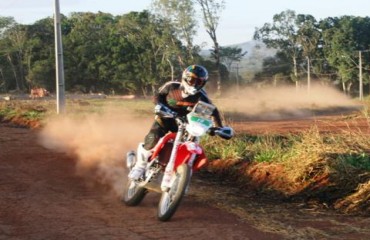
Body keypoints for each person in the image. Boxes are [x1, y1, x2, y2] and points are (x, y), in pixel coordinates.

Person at [129, 64, 232, 180]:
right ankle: (140, 166)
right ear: (185, 78)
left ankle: (180, 171)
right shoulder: (172, 86)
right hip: (166, 117)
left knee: (192, 140)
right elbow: (157, 96)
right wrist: (160, 106)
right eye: (192, 80)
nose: (194, 84)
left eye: (199, 82)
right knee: (153, 138)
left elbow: (213, 111)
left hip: (186, 125)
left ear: (203, 83)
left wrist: (218, 128)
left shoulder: (202, 97)